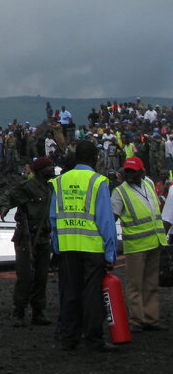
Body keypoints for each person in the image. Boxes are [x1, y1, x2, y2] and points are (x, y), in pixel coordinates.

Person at [49, 138, 117, 351]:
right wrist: (110, 253)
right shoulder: (98, 181)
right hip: (92, 246)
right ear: (94, 158)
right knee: (91, 295)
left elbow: (53, 218)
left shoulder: (60, 181)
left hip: (68, 246)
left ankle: (70, 338)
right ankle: (94, 340)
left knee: (70, 293)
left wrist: (57, 247)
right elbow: (106, 221)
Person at [0, 156, 55, 326]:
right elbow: (8, 196)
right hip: (26, 239)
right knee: (26, 276)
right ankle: (19, 311)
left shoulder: (50, 188)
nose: (52, 169)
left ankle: (38, 312)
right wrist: (3, 209)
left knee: (42, 276)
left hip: (44, 237)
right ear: (41, 171)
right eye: (49, 167)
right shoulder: (28, 187)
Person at [111, 156, 167, 331]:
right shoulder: (119, 192)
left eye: (134, 172)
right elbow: (113, 217)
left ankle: (151, 318)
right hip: (135, 246)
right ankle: (136, 320)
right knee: (134, 285)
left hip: (154, 242)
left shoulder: (149, 186)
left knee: (151, 284)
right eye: (128, 172)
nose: (130, 175)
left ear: (142, 172)